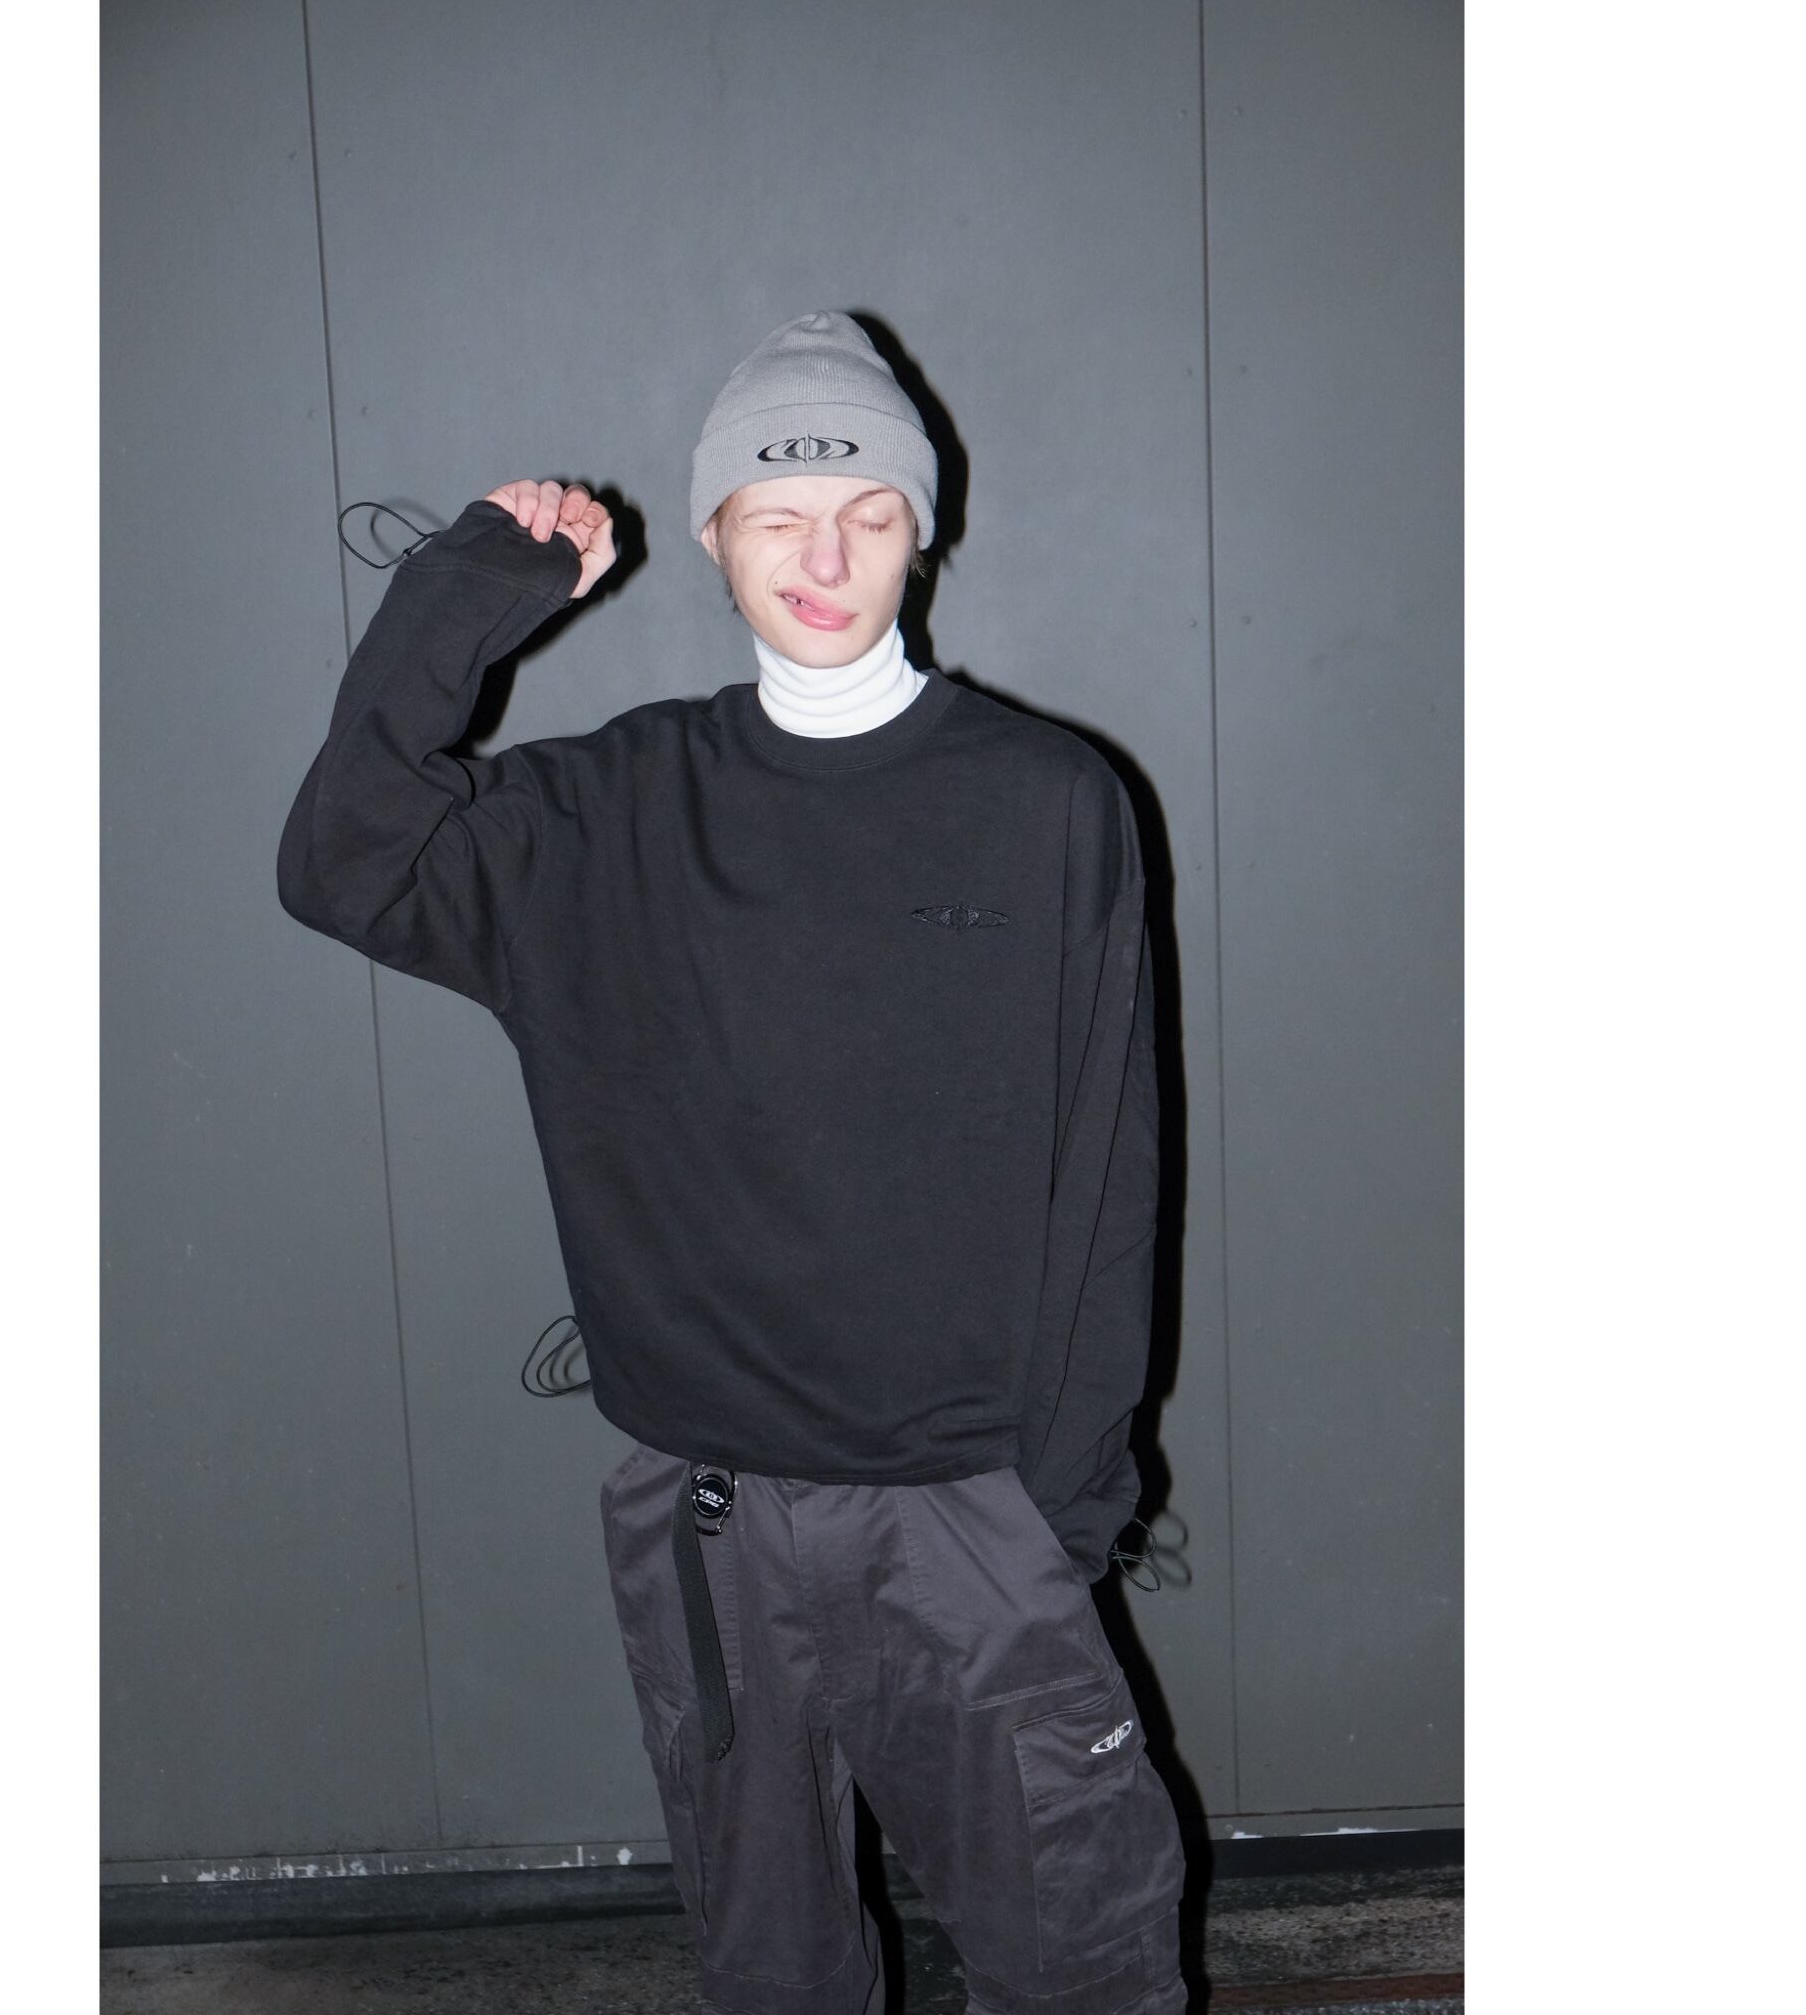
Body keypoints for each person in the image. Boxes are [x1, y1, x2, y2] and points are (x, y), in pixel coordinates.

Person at [277, 310, 1185, 2015]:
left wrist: (1059, 1510)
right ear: (712, 534)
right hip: (710, 1515)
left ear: (923, 530)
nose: (824, 559)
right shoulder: (604, 815)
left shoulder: (1046, 802)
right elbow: (346, 858)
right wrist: (468, 594)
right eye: (778, 516)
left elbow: (1111, 1164)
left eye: (867, 512)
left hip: (967, 1516)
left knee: (1083, 1967)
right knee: (774, 1973)